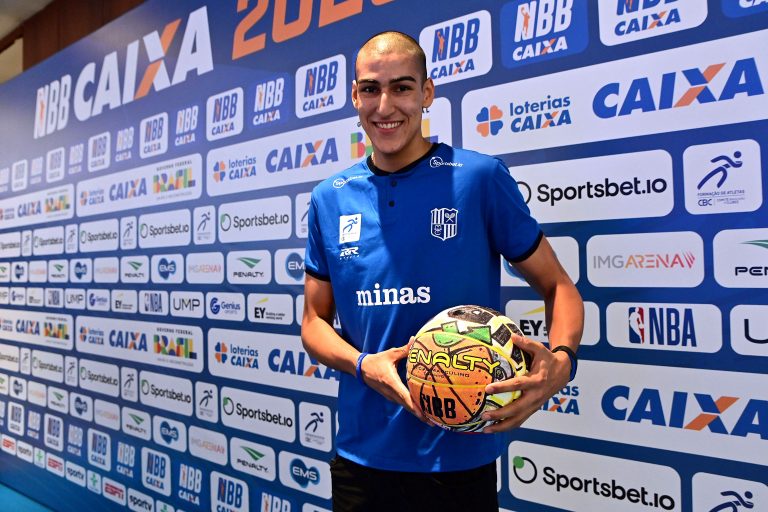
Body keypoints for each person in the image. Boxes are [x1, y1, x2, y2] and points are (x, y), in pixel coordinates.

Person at [301, 31, 584, 512]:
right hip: (361, 459)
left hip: (459, 458)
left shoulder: (477, 177)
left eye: (402, 87)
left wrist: (560, 362)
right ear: (355, 97)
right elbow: (313, 322)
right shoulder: (329, 197)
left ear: (427, 93)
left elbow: (558, 286)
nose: (385, 106)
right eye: (370, 89)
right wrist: (363, 365)